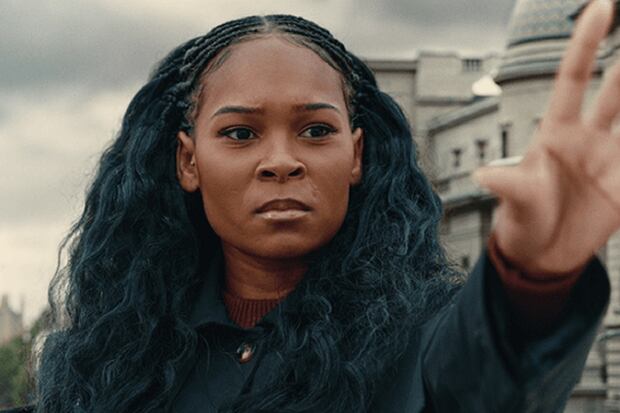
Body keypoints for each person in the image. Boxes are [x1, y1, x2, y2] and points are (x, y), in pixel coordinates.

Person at [5, 0, 620, 411]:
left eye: (316, 130)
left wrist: (534, 277)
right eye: (240, 133)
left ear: (357, 155)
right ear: (188, 161)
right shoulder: (115, 360)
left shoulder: (422, 339)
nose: (281, 161)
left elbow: (485, 376)